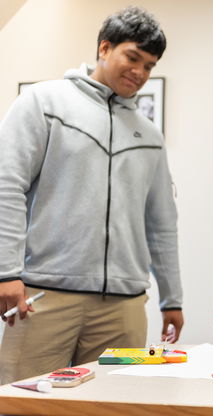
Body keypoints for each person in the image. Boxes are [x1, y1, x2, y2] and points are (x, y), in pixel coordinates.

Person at [0, 6, 183, 384]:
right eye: (132, 57)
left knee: (116, 406)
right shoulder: (43, 103)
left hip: (124, 306)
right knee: (26, 403)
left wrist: (173, 298)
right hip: (44, 298)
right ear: (104, 48)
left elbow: (162, 223)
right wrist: (6, 272)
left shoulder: (150, 135)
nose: (140, 72)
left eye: (149, 66)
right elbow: (7, 186)